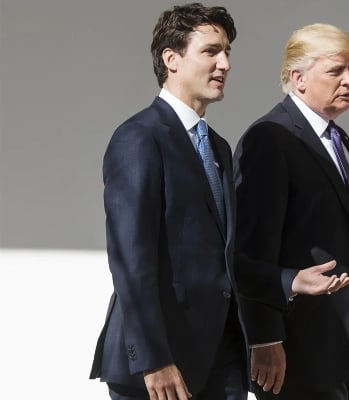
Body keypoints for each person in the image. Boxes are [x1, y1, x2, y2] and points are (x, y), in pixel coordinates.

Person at [89, 4, 247, 399]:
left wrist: (290, 281)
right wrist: (153, 359)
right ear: (171, 59)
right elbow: (131, 259)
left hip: (220, 359)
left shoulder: (219, 149)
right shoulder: (139, 138)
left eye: (227, 52)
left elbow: (223, 257)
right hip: (160, 367)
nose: (224, 63)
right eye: (211, 51)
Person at [232, 23, 349, 400]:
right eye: (335, 71)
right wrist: (265, 337)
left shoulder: (335, 137)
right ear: (298, 79)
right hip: (296, 348)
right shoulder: (271, 138)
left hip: (338, 341)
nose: (348, 80)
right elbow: (251, 251)